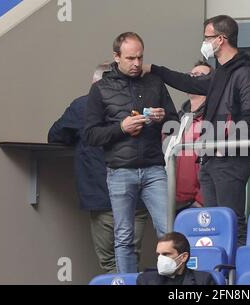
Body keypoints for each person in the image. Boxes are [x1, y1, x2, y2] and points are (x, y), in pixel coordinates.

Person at [144, 15, 250, 246]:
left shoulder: (246, 73)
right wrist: (154, 69)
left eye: (207, 38)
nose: (205, 42)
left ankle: (235, 279)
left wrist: (223, 143)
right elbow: (189, 83)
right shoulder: (221, 72)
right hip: (210, 160)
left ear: (221, 39)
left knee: (232, 223)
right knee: (214, 225)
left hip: (229, 160)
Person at [85, 32, 179, 273]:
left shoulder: (154, 82)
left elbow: (175, 124)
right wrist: (121, 127)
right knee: (124, 236)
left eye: (140, 57)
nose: (137, 63)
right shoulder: (101, 89)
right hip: (119, 170)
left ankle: (175, 283)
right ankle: (126, 281)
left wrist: (162, 118)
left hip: (154, 168)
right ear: (116, 57)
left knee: (169, 232)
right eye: (130, 58)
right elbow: (91, 135)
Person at [47, 63, 149, 273]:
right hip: (137, 196)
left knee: (110, 262)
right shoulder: (137, 106)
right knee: (130, 258)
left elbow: (56, 135)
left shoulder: (83, 107)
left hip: (105, 199)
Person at [164, 61, 213, 212]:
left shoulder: (211, 119)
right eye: (190, 75)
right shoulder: (177, 119)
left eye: (199, 75)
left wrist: (200, 199)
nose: (192, 78)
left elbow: (214, 164)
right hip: (172, 201)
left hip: (196, 205)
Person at [137, 232, 215, 285]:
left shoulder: (203, 280)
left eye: (166, 254)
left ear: (183, 257)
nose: (160, 258)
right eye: (159, 254)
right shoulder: (145, 280)